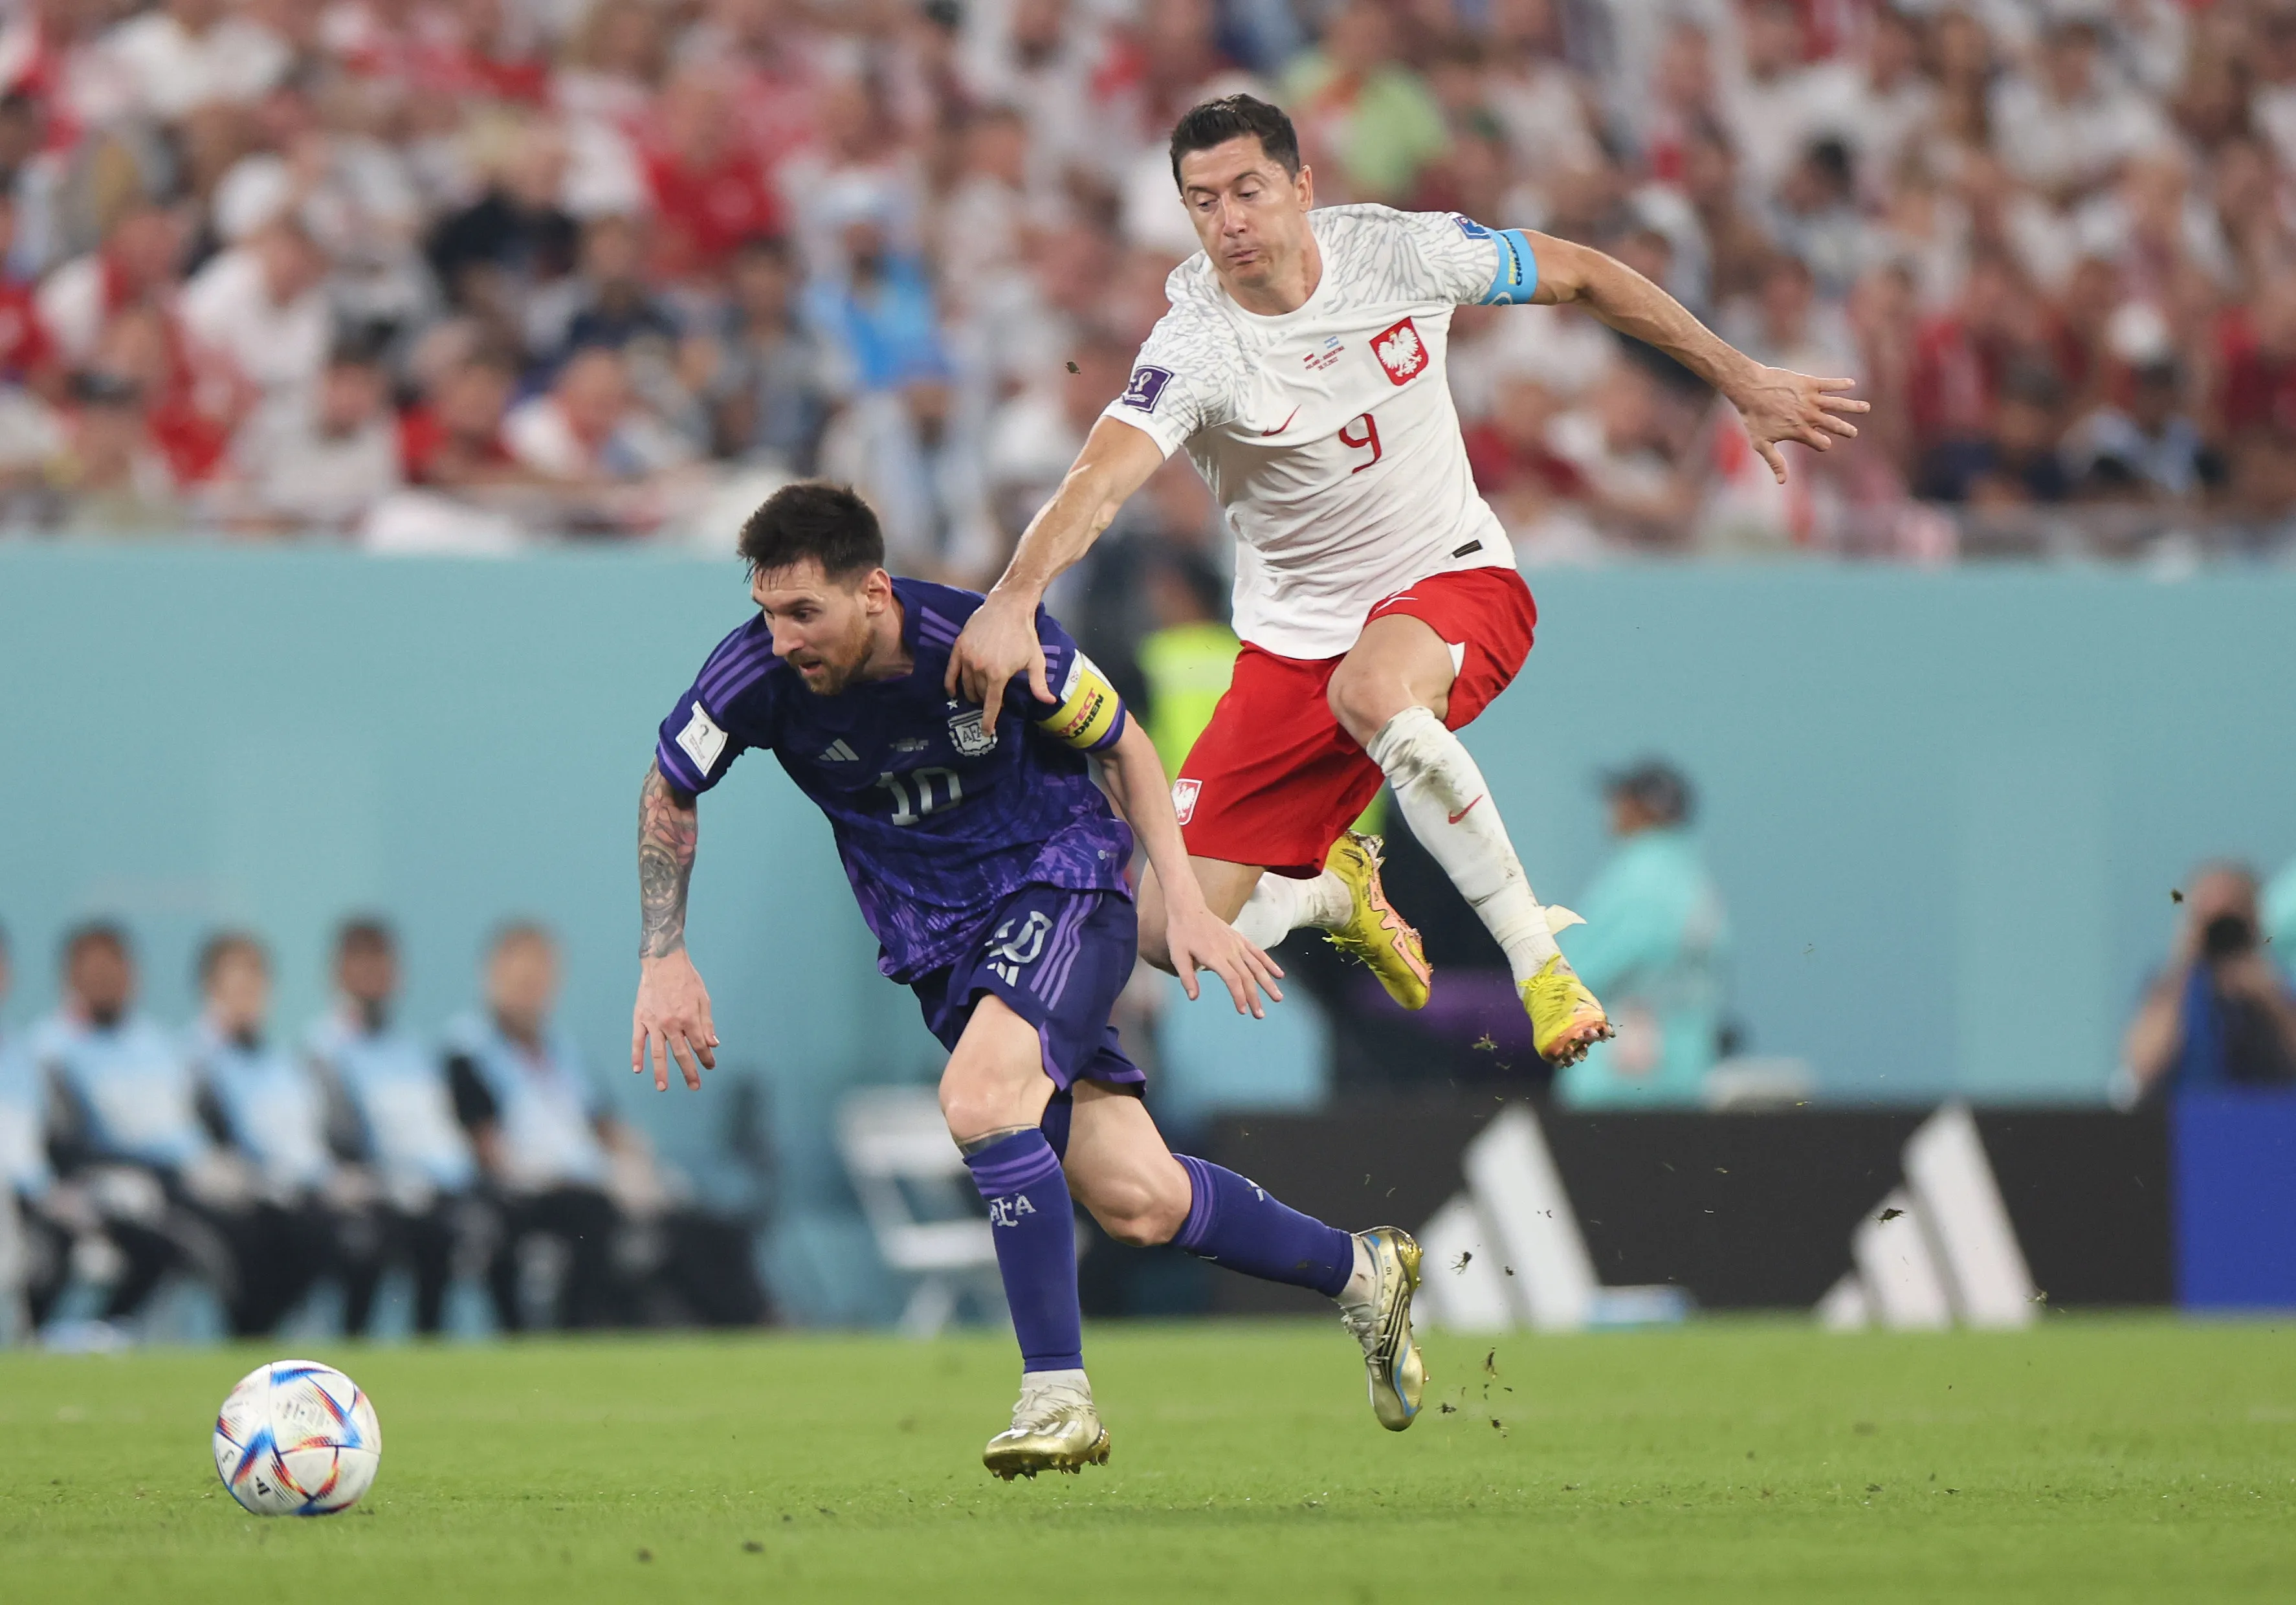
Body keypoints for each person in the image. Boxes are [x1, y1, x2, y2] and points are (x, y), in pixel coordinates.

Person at [944, 94, 1862, 1067]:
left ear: (1302, 186)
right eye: (1203, 202)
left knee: (1373, 688)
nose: (1231, 221)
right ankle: (1334, 894)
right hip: (1292, 648)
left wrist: (1739, 376)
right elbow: (1100, 480)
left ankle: (1540, 962)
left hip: (1453, 580)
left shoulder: (1402, 253)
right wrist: (1014, 594)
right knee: (1165, 932)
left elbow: (1585, 275)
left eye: (1249, 190)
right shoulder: (1196, 346)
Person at [630, 482, 1425, 1479]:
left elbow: (1127, 744)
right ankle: (1363, 1271)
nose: (782, 638)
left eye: (804, 613)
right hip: (942, 950)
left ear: (874, 591)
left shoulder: (986, 641)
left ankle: (1057, 1394)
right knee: (1140, 1199)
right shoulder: (755, 675)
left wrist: (1178, 900)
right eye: (766, 612)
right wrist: (664, 954)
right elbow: (671, 786)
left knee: (979, 1098)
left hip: (1063, 882)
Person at [188, 932, 382, 1334]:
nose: (248, 995)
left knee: (365, 1236)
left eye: (256, 983)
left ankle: (348, 1356)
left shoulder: (286, 1064)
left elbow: (317, 1141)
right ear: (211, 989)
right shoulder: (197, 1063)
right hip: (247, 1198)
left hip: (307, 1193)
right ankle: (252, 1343)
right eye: (236, 985)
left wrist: (338, 1176)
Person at [306, 918, 485, 1336]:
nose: (373, 976)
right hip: (374, 1190)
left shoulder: (414, 1049)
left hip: (437, 1190)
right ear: (339, 973)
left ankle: (432, 1349)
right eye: (361, 964)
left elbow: (441, 1129)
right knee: (372, 1240)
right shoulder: (325, 1050)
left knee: (463, 1228)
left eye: (381, 964)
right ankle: (352, 1354)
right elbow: (340, 1137)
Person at [445, 924, 628, 1331]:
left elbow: (608, 1126)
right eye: (521, 979)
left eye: (541, 978)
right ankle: (573, 1335)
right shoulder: (470, 1051)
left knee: (696, 1227)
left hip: (586, 1186)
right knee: (592, 1217)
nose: (532, 990)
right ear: (492, 977)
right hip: (523, 1192)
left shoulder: (565, 1053)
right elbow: (485, 1143)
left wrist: (638, 1169)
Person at [1552, 762, 1731, 1110]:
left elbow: (1577, 972)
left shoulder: (1640, 877)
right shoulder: (1692, 878)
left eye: (1623, 800)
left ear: (1642, 808)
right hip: (1686, 1074)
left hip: (1620, 1076)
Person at [2123, 864, 2296, 1100]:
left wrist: (2269, 996)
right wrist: (2183, 964)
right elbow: (2142, 1066)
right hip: (2189, 1125)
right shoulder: (2172, 987)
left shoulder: (2279, 983)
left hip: (2270, 1124)